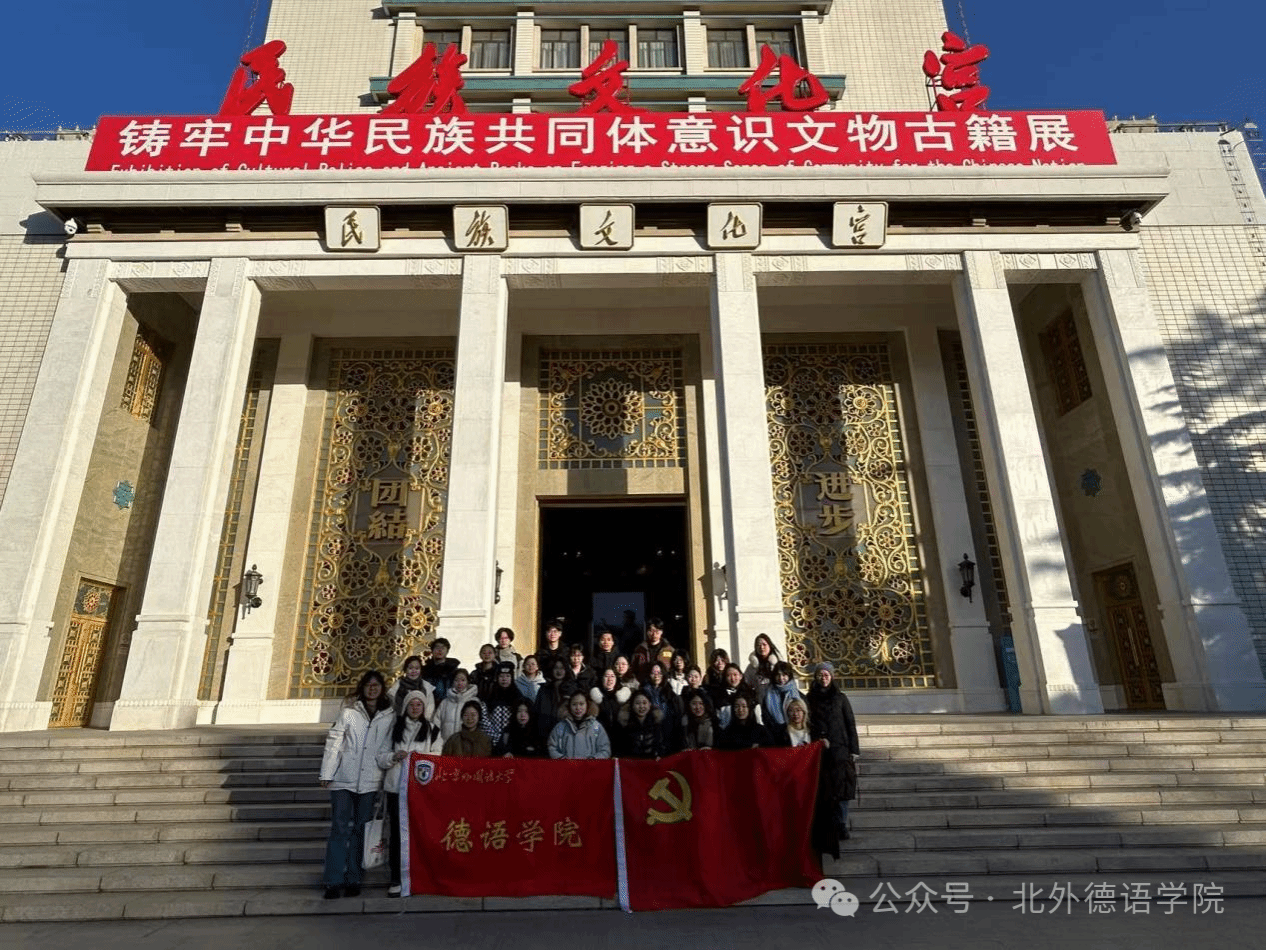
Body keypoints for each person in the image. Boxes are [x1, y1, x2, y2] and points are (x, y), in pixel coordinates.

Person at [318, 670, 394, 900]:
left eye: (376, 685)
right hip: (343, 779)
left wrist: (388, 765)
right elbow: (334, 742)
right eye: (369, 685)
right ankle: (332, 880)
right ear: (362, 687)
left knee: (361, 830)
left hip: (370, 782)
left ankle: (354, 878)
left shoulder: (388, 716)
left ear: (382, 689)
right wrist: (327, 772)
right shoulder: (349, 712)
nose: (372, 688)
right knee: (339, 829)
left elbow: (385, 749)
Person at [376, 690, 442, 897]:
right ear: (405, 707)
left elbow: (437, 757)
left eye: (419, 704)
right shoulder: (394, 728)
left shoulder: (432, 730)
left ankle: (419, 876)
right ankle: (397, 878)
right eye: (411, 704)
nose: (415, 708)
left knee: (420, 833)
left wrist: (417, 757)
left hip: (421, 791)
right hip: (396, 789)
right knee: (397, 834)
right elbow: (381, 756)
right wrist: (394, 757)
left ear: (424, 707)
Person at [807, 661, 860, 840]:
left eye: (826, 675)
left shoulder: (841, 698)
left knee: (842, 791)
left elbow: (850, 723)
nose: (823, 678)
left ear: (832, 676)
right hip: (820, 751)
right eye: (820, 675)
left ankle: (842, 824)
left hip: (840, 751)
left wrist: (854, 749)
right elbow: (808, 722)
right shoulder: (810, 698)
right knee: (826, 790)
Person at [548, 691, 612, 760]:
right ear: (569, 706)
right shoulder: (561, 726)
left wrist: (593, 760)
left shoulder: (596, 726)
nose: (578, 708)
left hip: (590, 766)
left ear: (587, 705)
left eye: (581, 704)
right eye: (574, 704)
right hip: (567, 766)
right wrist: (562, 759)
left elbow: (605, 750)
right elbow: (551, 747)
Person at [533, 657, 575, 744]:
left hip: (567, 737)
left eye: (562, 668)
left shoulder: (572, 689)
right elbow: (536, 713)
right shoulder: (544, 689)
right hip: (546, 735)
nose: (559, 671)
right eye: (556, 668)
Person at [643, 661, 683, 752]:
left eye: (659, 673)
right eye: (653, 673)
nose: (656, 675)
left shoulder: (669, 691)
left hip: (668, 732)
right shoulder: (644, 691)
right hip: (650, 733)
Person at [614, 690, 666, 759]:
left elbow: (660, 745)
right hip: (630, 762)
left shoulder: (656, 722)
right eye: (637, 703)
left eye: (644, 703)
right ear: (632, 705)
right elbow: (619, 747)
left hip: (650, 761)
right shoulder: (624, 723)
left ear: (650, 704)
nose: (641, 706)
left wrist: (659, 755)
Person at [482, 662, 524, 742]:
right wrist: (496, 737)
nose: (504, 679)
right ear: (497, 678)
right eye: (501, 676)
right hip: (492, 740)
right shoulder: (490, 696)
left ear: (512, 678)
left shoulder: (518, 697)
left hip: (514, 740)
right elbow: (484, 719)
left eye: (508, 676)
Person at [436, 669, 483, 741]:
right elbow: (436, 723)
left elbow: (480, 725)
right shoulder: (445, 702)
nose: (459, 683)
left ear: (468, 682)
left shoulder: (474, 701)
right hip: (446, 744)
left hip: (467, 744)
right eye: (456, 680)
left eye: (463, 680)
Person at [711, 662, 762, 729]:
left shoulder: (750, 693)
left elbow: (758, 718)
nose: (732, 678)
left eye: (735, 675)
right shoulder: (720, 696)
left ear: (741, 676)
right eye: (729, 675)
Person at [386, 654, 436, 722]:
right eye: (410, 668)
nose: (414, 671)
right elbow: (391, 708)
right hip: (399, 723)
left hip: (421, 724)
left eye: (417, 668)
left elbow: (430, 709)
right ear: (405, 670)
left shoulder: (427, 687)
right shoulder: (397, 687)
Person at [763, 661, 802, 745]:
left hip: (795, 735)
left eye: (784, 675)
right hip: (775, 737)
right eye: (778, 675)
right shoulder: (768, 695)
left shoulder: (797, 694)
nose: (781, 678)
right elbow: (766, 717)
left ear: (789, 676)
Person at [589, 666, 630, 734]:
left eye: (612, 676)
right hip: (599, 733)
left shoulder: (622, 696)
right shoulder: (595, 696)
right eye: (606, 676)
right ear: (602, 678)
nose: (610, 679)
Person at [632, 617, 675, 681]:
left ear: (661, 632)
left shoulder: (669, 649)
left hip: (664, 682)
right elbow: (633, 669)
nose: (654, 634)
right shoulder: (640, 649)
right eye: (651, 631)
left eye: (657, 631)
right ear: (647, 632)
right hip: (644, 683)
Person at [744, 633, 781, 703]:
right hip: (761, 703)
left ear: (769, 646)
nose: (761, 647)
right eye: (758, 645)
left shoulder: (778, 664)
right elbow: (746, 685)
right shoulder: (751, 667)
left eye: (764, 644)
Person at [421, 638, 460, 702]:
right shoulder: (425, 671)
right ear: (432, 651)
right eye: (437, 647)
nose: (440, 650)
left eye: (443, 648)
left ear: (447, 651)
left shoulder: (453, 670)